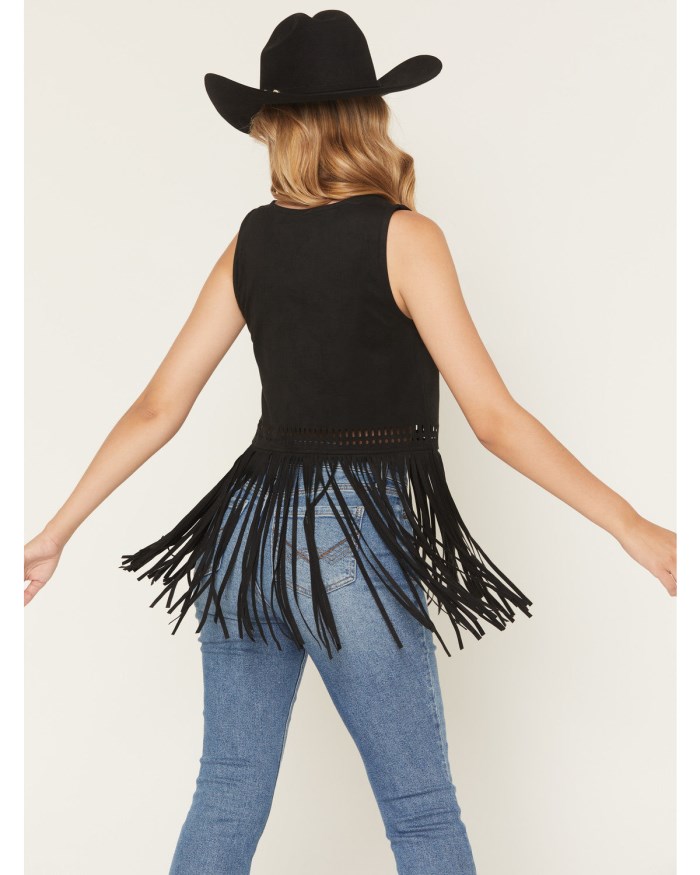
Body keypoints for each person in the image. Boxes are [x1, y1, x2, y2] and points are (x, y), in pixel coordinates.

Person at [24, 11, 676, 875]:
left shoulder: (251, 241)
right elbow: (493, 417)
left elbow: (157, 407)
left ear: (275, 126)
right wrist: (632, 524)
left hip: (244, 538)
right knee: (420, 810)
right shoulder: (406, 237)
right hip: (350, 541)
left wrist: (56, 530)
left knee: (226, 792)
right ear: (370, 114)